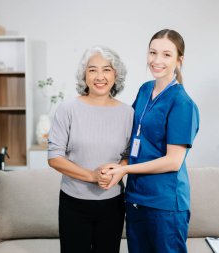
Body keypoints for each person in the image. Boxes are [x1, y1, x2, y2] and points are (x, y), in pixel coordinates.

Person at [99, 29, 200, 253]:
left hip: (164, 203)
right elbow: (134, 137)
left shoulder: (182, 103)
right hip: (136, 197)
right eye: (152, 52)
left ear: (179, 60)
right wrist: (120, 165)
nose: (156, 60)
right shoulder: (145, 90)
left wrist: (126, 170)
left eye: (166, 54)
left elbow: (173, 161)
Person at [47, 46, 134, 253]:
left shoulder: (127, 113)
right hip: (73, 203)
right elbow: (54, 157)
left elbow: (130, 155)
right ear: (84, 75)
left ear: (116, 74)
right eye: (92, 70)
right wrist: (92, 176)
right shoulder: (68, 109)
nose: (100, 76)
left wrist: (117, 170)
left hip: (113, 203)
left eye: (106, 69)